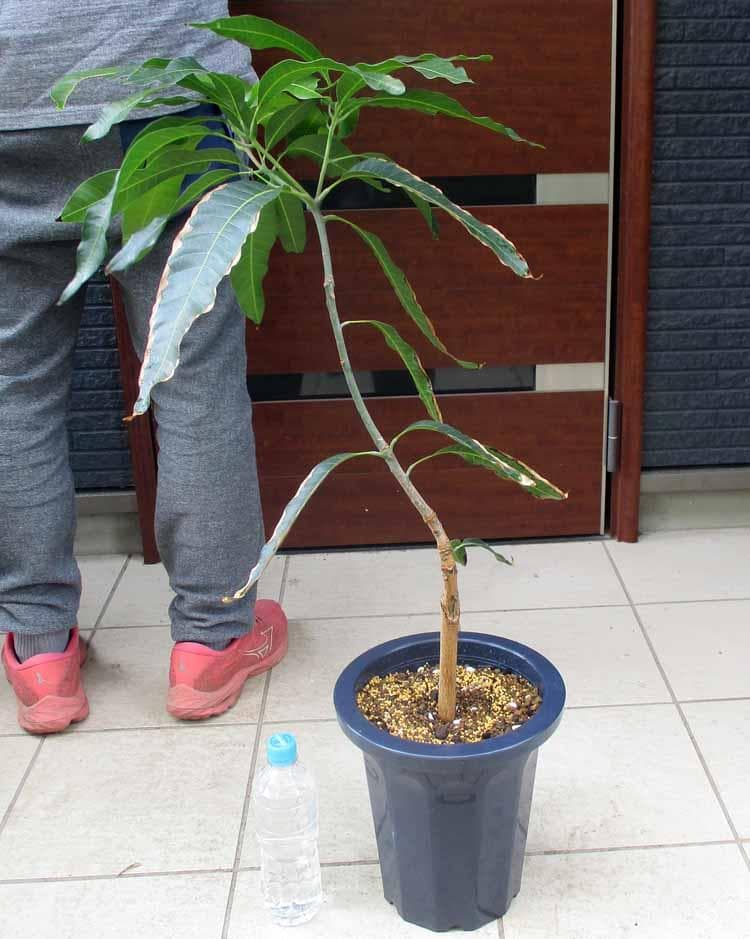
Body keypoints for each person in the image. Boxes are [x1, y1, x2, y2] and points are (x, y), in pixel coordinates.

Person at [0, 2, 287, 735]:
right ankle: (211, 641)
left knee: (14, 386)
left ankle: (39, 649)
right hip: (162, 84)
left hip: (8, 95)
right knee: (195, 375)